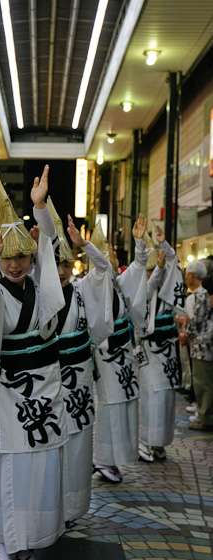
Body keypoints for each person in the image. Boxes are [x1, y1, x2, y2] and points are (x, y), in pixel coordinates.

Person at [0, 166, 66, 560]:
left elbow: (52, 242)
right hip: (14, 393)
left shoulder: (42, 283)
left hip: (48, 389)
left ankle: (28, 540)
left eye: (21, 256)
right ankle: (3, 542)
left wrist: (40, 206)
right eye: (7, 258)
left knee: (44, 465)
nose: (15, 265)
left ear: (31, 255)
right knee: (16, 467)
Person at [47, 200, 113, 512]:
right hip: (47, 381)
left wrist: (84, 245)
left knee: (77, 441)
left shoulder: (83, 290)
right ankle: (49, 506)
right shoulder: (38, 292)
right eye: (55, 264)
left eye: (65, 265)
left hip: (78, 381)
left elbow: (105, 270)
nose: (61, 271)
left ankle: (72, 506)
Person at [92, 217, 148, 480]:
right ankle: (103, 458)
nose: (113, 257)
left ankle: (111, 458)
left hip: (123, 354)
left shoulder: (118, 283)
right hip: (106, 356)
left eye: (112, 253)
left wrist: (139, 242)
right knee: (110, 404)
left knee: (124, 402)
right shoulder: (92, 288)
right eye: (107, 254)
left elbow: (139, 268)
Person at [137, 225, 184, 460]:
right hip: (148, 351)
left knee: (166, 397)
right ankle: (145, 442)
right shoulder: (140, 291)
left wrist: (164, 245)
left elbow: (174, 265)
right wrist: (156, 271)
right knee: (150, 397)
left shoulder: (166, 292)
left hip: (167, 353)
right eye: (148, 271)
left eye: (155, 270)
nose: (152, 275)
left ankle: (160, 443)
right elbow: (147, 290)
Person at [185, 272, 213, 430]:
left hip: (202, 346)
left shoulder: (202, 294)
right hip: (205, 346)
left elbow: (197, 321)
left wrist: (187, 334)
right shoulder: (204, 293)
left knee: (203, 383)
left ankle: (206, 418)